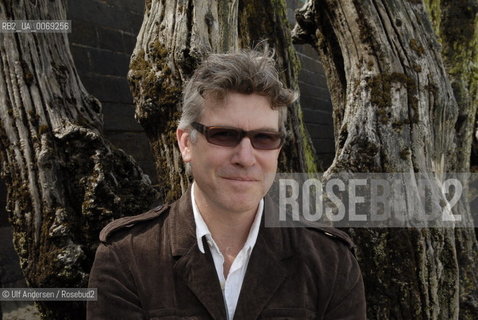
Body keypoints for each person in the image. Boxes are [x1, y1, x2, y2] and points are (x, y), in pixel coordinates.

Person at [87, 47, 366, 319]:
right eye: (224, 135)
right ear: (186, 143)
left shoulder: (330, 262)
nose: (246, 157)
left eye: (264, 138)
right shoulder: (127, 258)